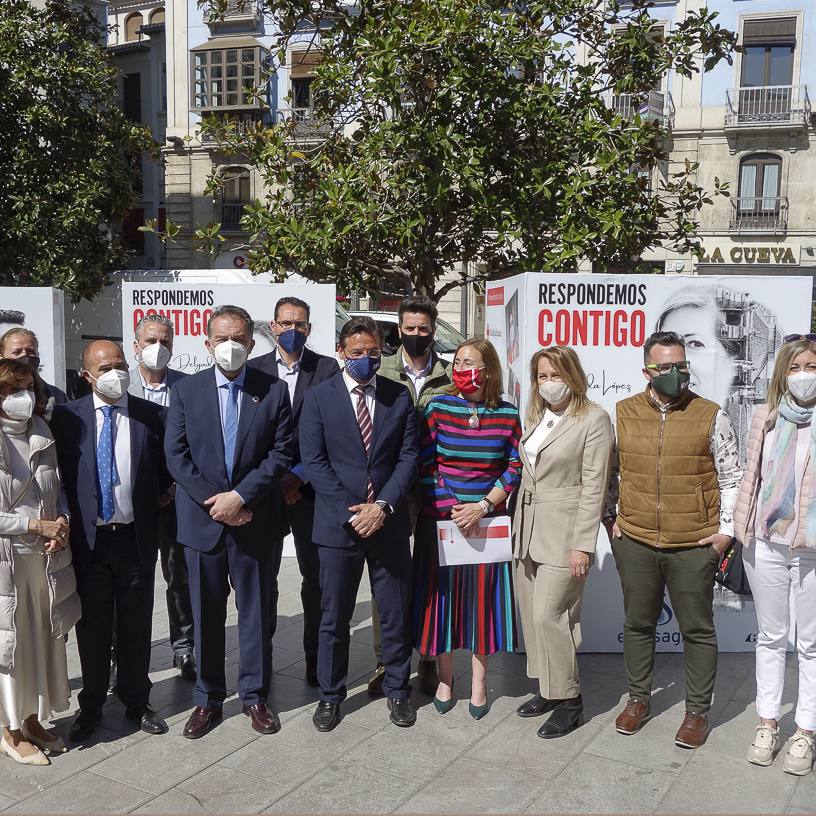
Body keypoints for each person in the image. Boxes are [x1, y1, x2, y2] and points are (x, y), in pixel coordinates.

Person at [604, 330, 742, 748]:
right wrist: (611, 517)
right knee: (638, 623)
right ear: (647, 370)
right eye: (666, 366)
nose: (676, 373)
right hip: (637, 539)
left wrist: (726, 532)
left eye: (681, 365)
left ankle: (697, 711)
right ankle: (638, 700)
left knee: (697, 629)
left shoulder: (711, 414)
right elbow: (610, 471)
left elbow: (732, 476)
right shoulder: (622, 412)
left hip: (693, 543)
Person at [165, 305, 293, 740]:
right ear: (207, 343)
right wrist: (216, 502)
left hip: (255, 520)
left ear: (253, 344)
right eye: (222, 338)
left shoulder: (273, 390)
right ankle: (207, 699)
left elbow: (281, 453)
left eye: (239, 338)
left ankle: (255, 696)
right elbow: (176, 456)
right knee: (205, 614)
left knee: (256, 613)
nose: (231, 346)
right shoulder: (186, 391)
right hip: (203, 524)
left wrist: (240, 497)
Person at [300, 315, 419, 732]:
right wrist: (354, 511)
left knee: (394, 613)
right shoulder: (319, 398)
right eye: (357, 353)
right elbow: (315, 463)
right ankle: (331, 696)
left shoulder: (398, 395)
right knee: (334, 617)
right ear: (341, 353)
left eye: (373, 352)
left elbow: (408, 458)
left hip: (387, 523)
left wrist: (382, 507)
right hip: (338, 527)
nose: (366, 359)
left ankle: (398, 690)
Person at [50, 341, 171, 742]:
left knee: (136, 624)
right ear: (87, 375)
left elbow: (168, 469)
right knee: (93, 626)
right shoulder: (66, 419)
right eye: (105, 367)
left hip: (135, 539)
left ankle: (137, 700)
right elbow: (59, 479)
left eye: (120, 364)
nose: (115, 372)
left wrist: (159, 500)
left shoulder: (153, 415)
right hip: (89, 542)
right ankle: (93, 704)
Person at [413, 338, 522, 719]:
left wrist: (483, 506)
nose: (461, 368)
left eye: (469, 362)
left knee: (482, 606)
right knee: (443, 603)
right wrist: (454, 509)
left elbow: (514, 466)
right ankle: (445, 678)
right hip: (444, 520)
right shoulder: (438, 407)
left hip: (487, 522)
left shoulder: (508, 413)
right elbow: (425, 464)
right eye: (457, 361)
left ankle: (479, 683)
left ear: (488, 370)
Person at [513, 346, 614, 738]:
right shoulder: (536, 415)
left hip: (566, 532)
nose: (549, 383)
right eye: (542, 376)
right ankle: (548, 688)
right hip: (528, 529)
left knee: (551, 616)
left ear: (573, 375)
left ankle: (570, 701)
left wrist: (583, 544)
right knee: (531, 614)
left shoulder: (594, 419)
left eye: (556, 375)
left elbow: (594, 486)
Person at [247, 296, 340, 687]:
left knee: (314, 578)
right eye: (286, 323)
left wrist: (298, 475)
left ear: (310, 329)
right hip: (265, 491)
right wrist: (273, 480)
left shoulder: (328, 368)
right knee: (262, 579)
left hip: (309, 489)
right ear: (273, 326)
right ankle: (260, 662)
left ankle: (314, 660)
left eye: (300, 324)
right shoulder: (253, 370)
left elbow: (333, 431)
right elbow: (248, 437)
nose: (292, 330)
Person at [734, 335, 816, 776]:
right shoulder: (764, 416)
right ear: (783, 371)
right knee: (770, 636)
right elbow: (753, 476)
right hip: (765, 542)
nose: (803, 374)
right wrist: (740, 527)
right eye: (796, 366)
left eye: (811, 365)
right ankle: (768, 723)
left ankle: (805, 731)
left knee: (811, 643)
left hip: (812, 550)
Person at [0, 360, 80, 766]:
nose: (23, 397)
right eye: (14, 389)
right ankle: (10, 731)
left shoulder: (42, 430)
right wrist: (35, 524)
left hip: (45, 560)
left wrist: (61, 521)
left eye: (29, 387)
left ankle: (32, 719)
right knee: (12, 646)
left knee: (42, 641)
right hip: (7, 562)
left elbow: (57, 487)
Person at [372, 295, 453, 696]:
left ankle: (428, 659)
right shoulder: (380, 369)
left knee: (430, 576)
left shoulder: (453, 376)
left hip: (437, 490)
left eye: (424, 329)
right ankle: (385, 661)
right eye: (410, 329)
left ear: (433, 330)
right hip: (390, 487)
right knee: (386, 575)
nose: (417, 336)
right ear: (398, 330)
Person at [127, 314, 194, 681]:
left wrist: (172, 488)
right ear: (136, 344)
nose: (158, 347)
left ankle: (184, 649)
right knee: (130, 581)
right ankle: (121, 656)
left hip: (176, 501)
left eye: (165, 341)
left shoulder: (188, 387)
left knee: (179, 579)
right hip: (131, 505)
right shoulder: (119, 388)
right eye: (151, 340)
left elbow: (196, 447)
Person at [0, 328, 69, 410]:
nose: (25, 355)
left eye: (30, 352)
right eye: (16, 352)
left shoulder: (57, 395)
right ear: (1, 357)